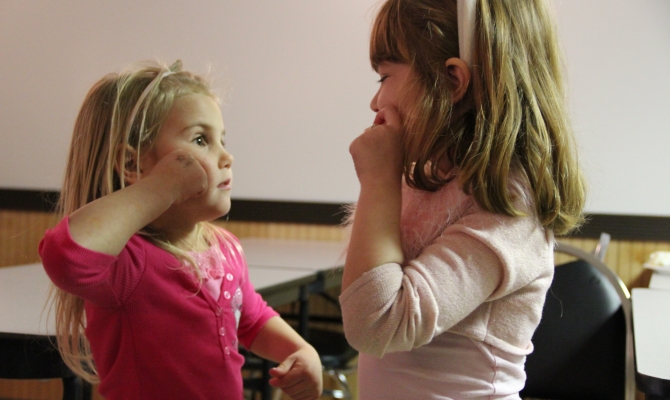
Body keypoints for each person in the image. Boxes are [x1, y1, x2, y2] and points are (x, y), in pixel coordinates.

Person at [340, 0, 586, 398]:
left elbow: (377, 324)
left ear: (452, 82)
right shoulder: (427, 179)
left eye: (384, 76)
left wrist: (378, 182)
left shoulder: (509, 208)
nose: (375, 101)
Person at [39, 60, 322, 400]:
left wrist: (301, 350)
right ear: (132, 164)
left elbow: (252, 319)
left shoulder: (225, 248)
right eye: (201, 139)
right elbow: (67, 257)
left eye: (222, 140)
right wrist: (159, 188)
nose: (227, 156)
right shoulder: (128, 264)